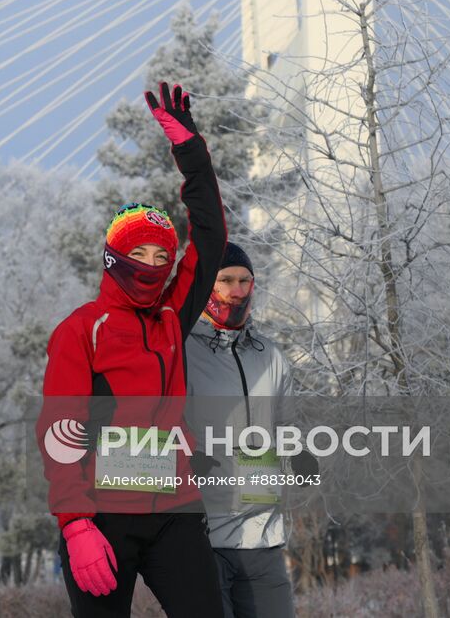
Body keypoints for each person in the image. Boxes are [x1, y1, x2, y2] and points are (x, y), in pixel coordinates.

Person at [39, 83, 228, 618]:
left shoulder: (173, 314)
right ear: (111, 257)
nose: (150, 263)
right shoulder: (81, 328)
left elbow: (210, 238)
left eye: (160, 254)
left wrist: (192, 153)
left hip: (174, 510)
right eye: (136, 252)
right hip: (102, 515)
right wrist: (75, 523)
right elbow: (59, 428)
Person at [186, 242, 297, 618]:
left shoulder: (272, 356)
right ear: (206, 286)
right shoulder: (180, 351)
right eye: (226, 280)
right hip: (202, 540)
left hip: (263, 539)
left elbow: (288, 431)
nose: (236, 290)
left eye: (244, 281)